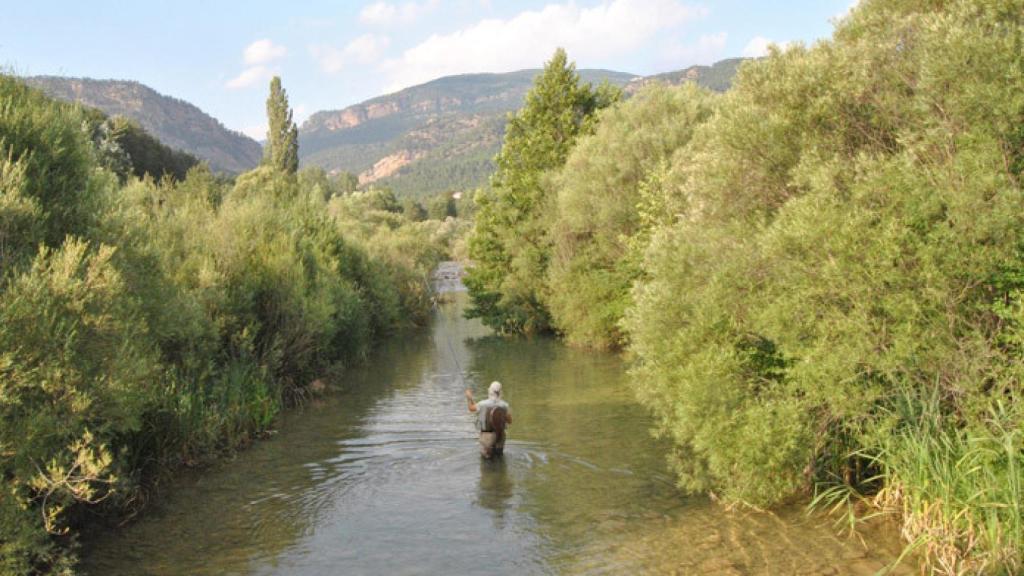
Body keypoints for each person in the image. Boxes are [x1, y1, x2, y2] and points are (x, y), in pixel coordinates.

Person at [465, 381, 511, 458]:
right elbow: (509, 421)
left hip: (487, 436)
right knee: (499, 458)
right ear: (500, 392)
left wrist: (469, 398)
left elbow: (471, 408)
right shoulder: (505, 405)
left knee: (486, 461)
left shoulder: (482, 404)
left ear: (490, 391)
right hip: (500, 436)